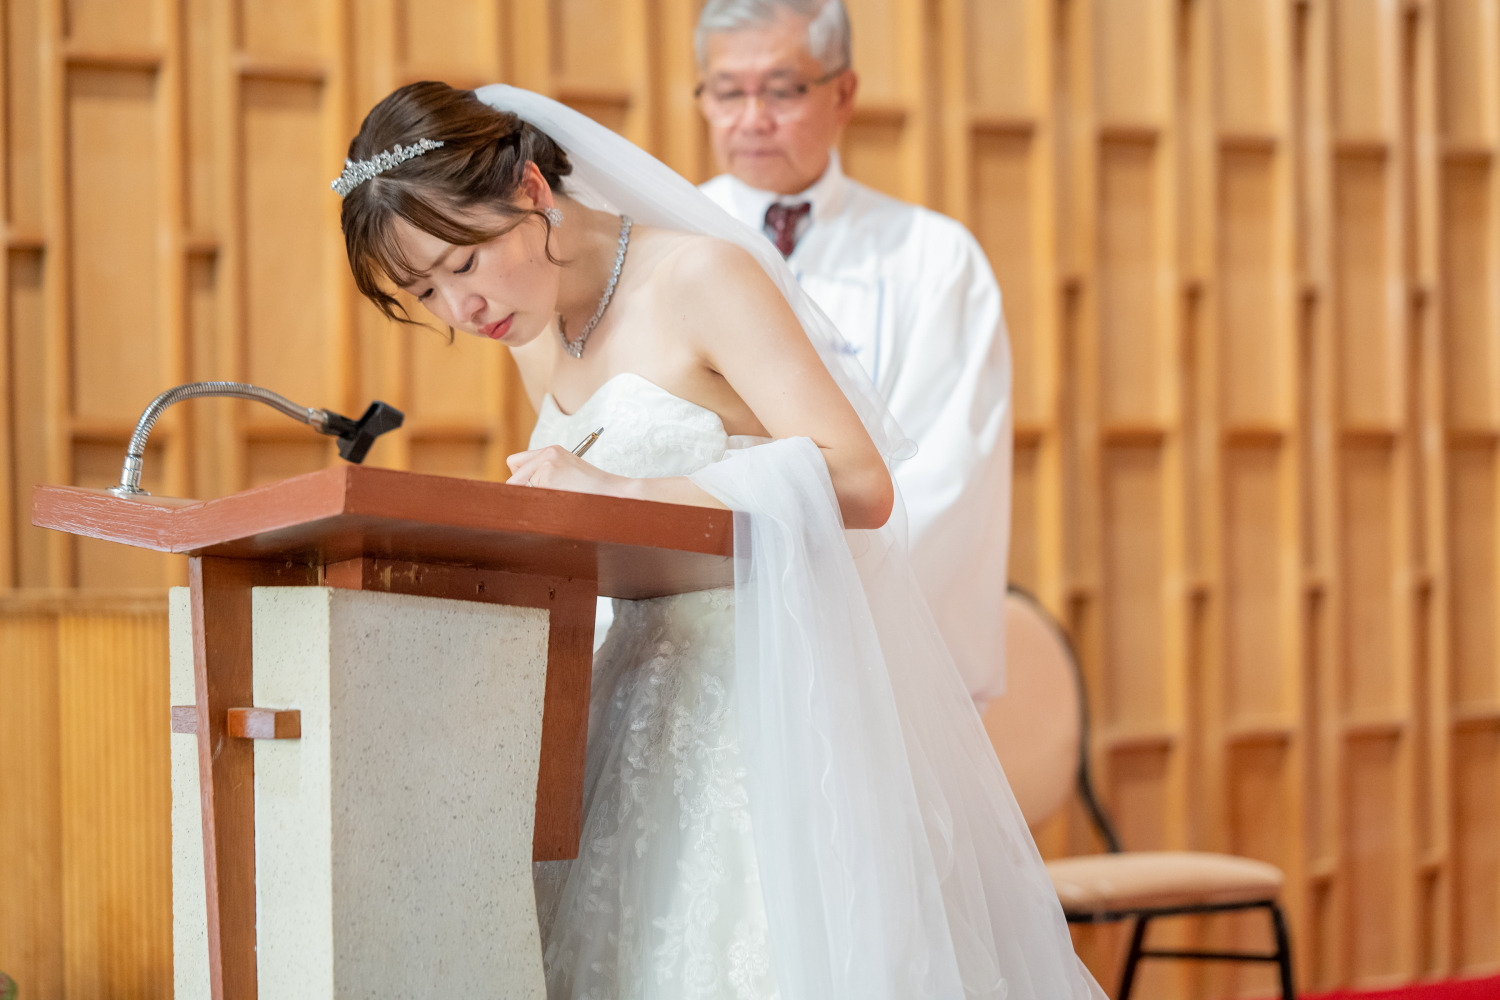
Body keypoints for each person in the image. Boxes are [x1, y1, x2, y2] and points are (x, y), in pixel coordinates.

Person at [333, 81, 1101, 1000]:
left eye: (463, 261)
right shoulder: (532, 331)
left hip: (763, 701)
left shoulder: (699, 278)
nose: (461, 308)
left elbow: (861, 482)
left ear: (532, 190)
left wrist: (623, 494)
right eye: (425, 290)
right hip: (627, 711)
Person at [695, 0, 1014, 711]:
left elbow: (945, 477)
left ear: (843, 94)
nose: (751, 118)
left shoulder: (933, 259)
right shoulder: (665, 242)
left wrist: (797, 607)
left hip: (864, 655)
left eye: (781, 90)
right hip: (699, 639)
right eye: (727, 91)